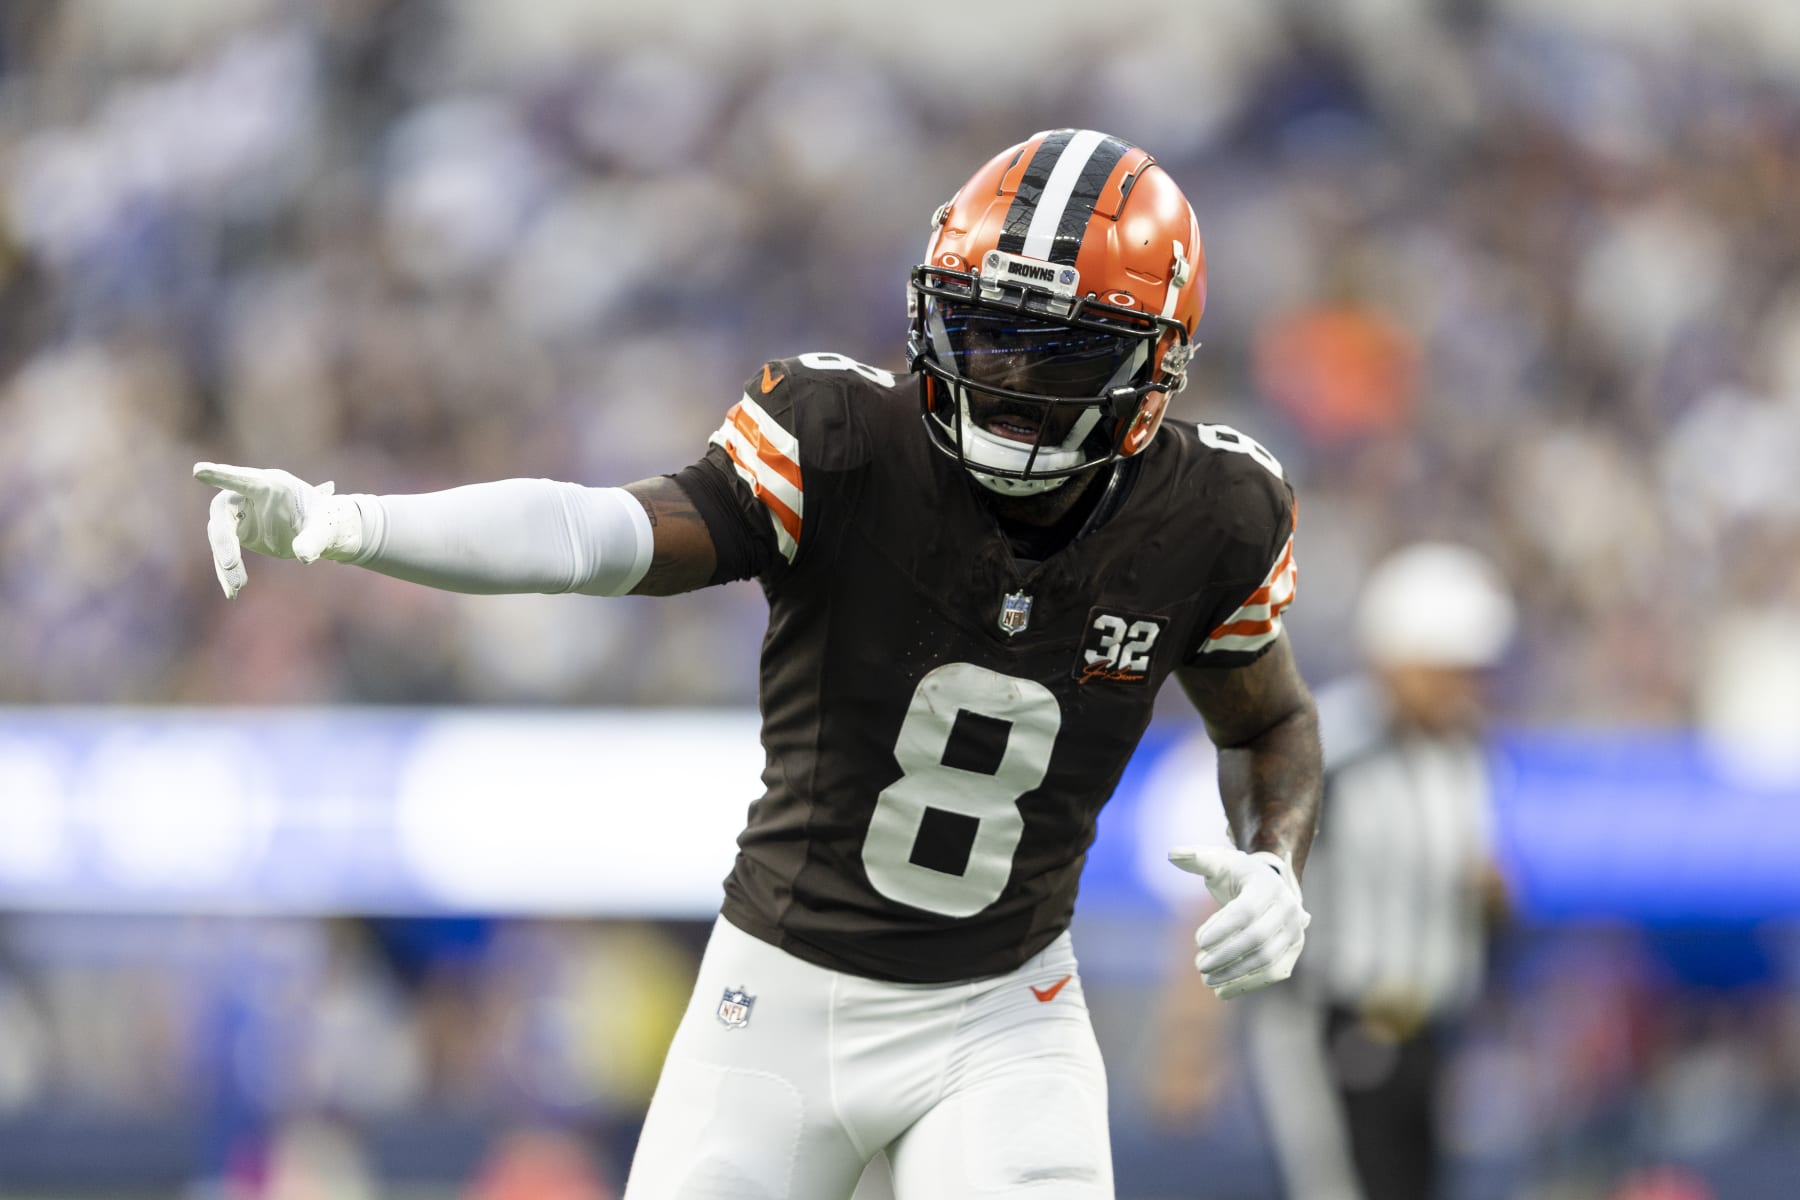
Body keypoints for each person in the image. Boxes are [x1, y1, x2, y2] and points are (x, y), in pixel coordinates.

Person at [195, 128, 1323, 1199]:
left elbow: (1268, 720)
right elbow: (596, 535)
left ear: (1155, 365)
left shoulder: (1215, 512)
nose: (1011, 373)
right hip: (781, 993)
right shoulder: (840, 437)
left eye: (1063, 349)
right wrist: (352, 524)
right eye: (984, 329)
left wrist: (1276, 862)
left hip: (1005, 1011)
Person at [1235, 541, 1516, 1200]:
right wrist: (1191, 1032)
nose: (1466, 687)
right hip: (1331, 1022)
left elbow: (1475, 891)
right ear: (1399, 656)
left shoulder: (1465, 756)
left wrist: (1493, 900)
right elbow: (1245, 873)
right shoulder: (1330, 747)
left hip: (1427, 1030)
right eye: (1450, 668)